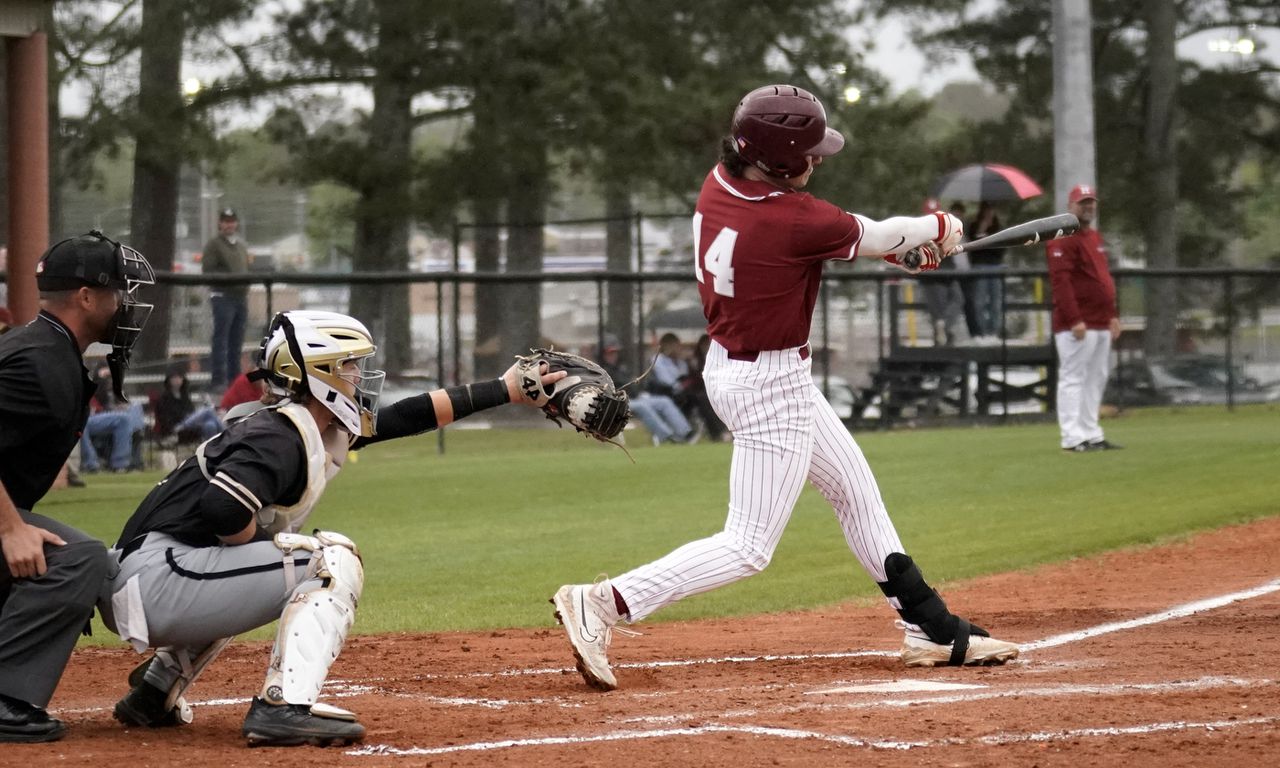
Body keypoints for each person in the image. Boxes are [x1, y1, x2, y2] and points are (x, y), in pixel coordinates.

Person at [551, 84, 1018, 692]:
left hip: (741, 366)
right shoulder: (796, 217)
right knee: (748, 546)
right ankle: (604, 602)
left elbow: (826, 242)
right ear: (776, 156)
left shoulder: (720, 184)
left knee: (854, 490)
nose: (818, 159)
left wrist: (897, 251)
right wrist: (940, 227)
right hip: (768, 383)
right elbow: (866, 233)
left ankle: (926, 623)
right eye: (810, 150)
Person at [97, 309, 565, 747]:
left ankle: (155, 691)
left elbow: (405, 417)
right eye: (347, 365)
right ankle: (283, 707)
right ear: (316, 374)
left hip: (150, 578)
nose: (358, 376)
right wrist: (262, 549)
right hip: (156, 580)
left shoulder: (304, 425)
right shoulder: (279, 435)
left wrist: (505, 390)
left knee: (265, 559)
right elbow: (222, 510)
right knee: (327, 561)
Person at [0, 231, 154, 742]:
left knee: (53, 550)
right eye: (117, 290)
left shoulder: (47, 349)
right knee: (78, 558)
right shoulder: (41, 361)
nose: (125, 303)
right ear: (87, 297)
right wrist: (9, 529)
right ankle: (6, 700)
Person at [1047, 184, 1122, 452]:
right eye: (1083, 202)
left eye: (1091, 202)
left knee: (1096, 378)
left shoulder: (1094, 237)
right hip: (1077, 324)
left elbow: (1102, 280)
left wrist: (1112, 315)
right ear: (1071, 206)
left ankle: (1091, 432)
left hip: (1100, 320)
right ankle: (1072, 436)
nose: (1088, 206)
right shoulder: (1062, 239)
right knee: (1073, 378)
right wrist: (1075, 318)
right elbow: (1061, 283)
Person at [599, 337, 693, 445]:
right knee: (643, 407)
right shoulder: (602, 371)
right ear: (604, 355)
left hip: (635, 398)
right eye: (609, 353)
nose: (613, 356)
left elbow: (632, 386)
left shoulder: (621, 368)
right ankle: (666, 437)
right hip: (618, 403)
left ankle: (685, 433)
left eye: (614, 353)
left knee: (664, 401)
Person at [203, 208, 251, 391]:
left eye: (232, 221)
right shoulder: (214, 245)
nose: (229, 224)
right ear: (220, 224)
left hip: (240, 297)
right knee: (221, 339)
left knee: (236, 341)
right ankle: (218, 380)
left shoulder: (241, 245)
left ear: (236, 223)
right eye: (225, 221)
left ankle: (234, 379)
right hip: (223, 296)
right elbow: (208, 270)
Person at [79, 363, 147, 473]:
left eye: (111, 376)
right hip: (89, 418)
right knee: (123, 418)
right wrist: (101, 380)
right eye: (106, 376)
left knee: (132, 411)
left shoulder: (117, 390)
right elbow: (95, 406)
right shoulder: (93, 386)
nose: (109, 380)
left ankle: (123, 463)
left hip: (108, 419)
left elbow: (123, 403)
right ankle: (97, 464)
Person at [919, 199, 968, 347]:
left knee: (957, 301)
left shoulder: (945, 228)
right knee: (938, 309)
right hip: (932, 276)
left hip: (947, 272)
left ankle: (945, 327)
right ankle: (942, 340)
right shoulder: (921, 230)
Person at [963, 201, 1006, 342]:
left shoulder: (998, 227)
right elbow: (974, 246)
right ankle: (980, 331)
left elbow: (1002, 248)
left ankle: (993, 331)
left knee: (995, 300)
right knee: (979, 300)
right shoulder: (974, 226)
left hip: (995, 265)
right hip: (979, 265)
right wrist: (981, 231)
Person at [153, 368, 223, 444]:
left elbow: (191, 412)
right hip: (176, 428)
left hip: (189, 424)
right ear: (168, 380)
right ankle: (228, 436)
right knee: (208, 411)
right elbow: (166, 419)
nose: (177, 380)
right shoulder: (164, 398)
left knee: (210, 425)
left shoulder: (184, 396)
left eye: (180, 377)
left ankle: (213, 452)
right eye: (174, 378)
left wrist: (193, 418)